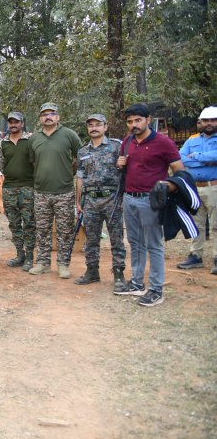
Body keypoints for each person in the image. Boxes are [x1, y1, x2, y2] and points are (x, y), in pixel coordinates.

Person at [114, 103, 184, 306]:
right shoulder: (127, 141)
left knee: (153, 244)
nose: (133, 124)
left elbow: (180, 172)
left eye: (137, 120)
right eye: (129, 121)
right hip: (129, 198)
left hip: (150, 200)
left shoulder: (163, 142)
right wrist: (120, 165)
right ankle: (137, 283)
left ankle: (156, 289)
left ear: (148, 120)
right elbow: (127, 168)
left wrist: (166, 186)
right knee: (135, 243)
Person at [28, 102, 83, 279]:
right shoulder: (34, 138)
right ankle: (43, 263)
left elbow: (80, 157)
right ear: (40, 118)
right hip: (41, 192)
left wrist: (68, 172)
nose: (48, 116)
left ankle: (63, 264)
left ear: (58, 117)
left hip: (64, 192)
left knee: (64, 230)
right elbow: (33, 161)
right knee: (42, 229)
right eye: (44, 114)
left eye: (52, 113)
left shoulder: (69, 135)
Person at [73, 113, 126, 289]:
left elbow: (126, 171)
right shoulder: (83, 151)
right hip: (90, 201)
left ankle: (118, 274)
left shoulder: (117, 146)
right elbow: (80, 177)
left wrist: (124, 196)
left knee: (116, 239)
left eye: (98, 124)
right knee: (91, 239)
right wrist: (78, 200)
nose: (94, 128)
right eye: (91, 125)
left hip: (112, 199)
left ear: (105, 126)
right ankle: (92, 272)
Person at [177, 106, 217, 273]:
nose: (209, 123)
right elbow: (180, 157)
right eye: (206, 120)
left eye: (213, 120)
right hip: (194, 188)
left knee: (216, 225)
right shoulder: (192, 140)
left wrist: (198, 157)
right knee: (196, 224)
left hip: (214, 187)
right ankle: (196, 256)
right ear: (200, 122)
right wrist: (206, 160)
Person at [0, 111, 35, 271]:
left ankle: (30, 256)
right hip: (9, 188)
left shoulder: (31, 141)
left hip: (28, 187)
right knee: (14, 223)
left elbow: (35, 161)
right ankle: (20, 254)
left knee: (30, 223)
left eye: (16, 122)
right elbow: (1, 164)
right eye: (11, 122)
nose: (13, 124)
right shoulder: (2, 143)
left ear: (22, 123)